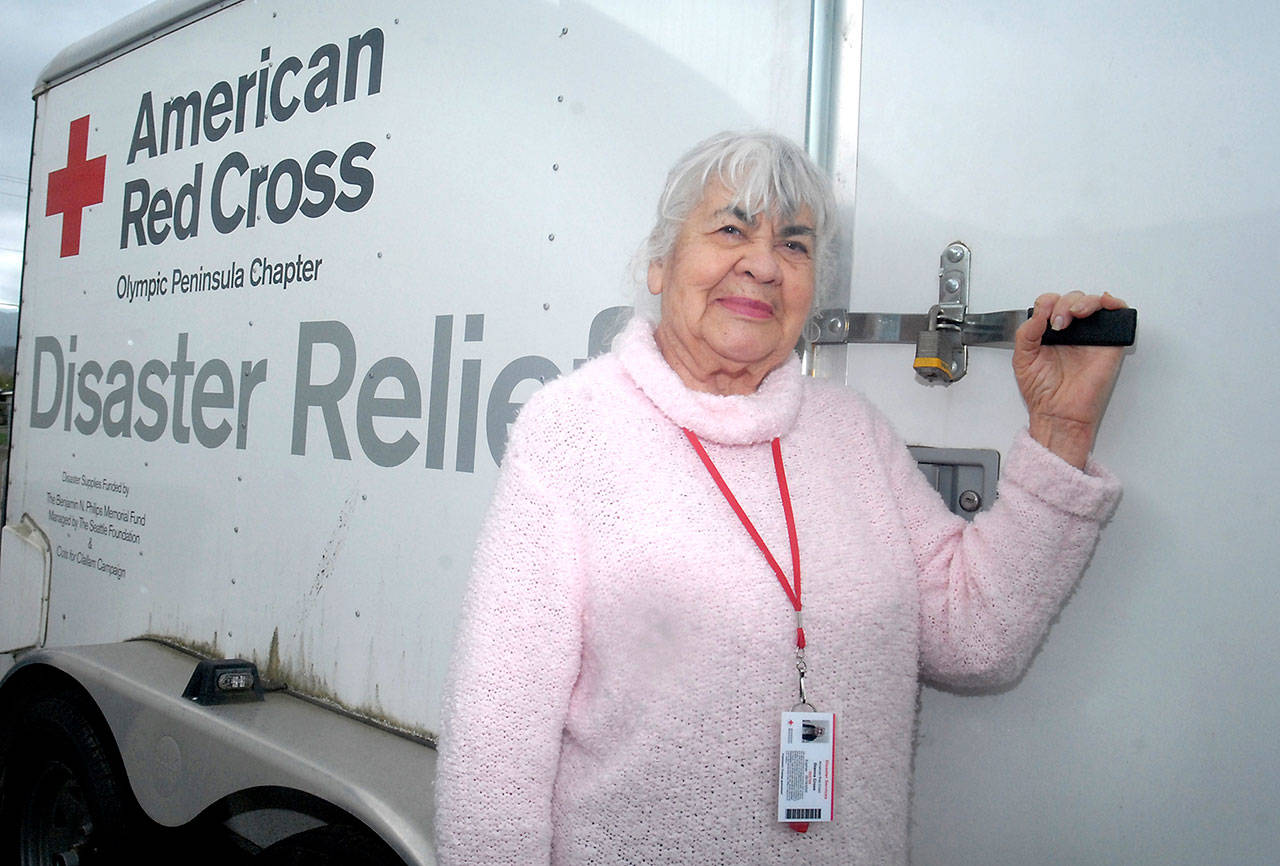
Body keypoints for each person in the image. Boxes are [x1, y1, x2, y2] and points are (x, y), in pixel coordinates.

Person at [433, 131, 1126, 864]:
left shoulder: (850, 431)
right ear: (661, 263)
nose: (763, 264)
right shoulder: (572, 430)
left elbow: (977, 640)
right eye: (731, 228)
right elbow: (498, 742)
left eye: (793, 245)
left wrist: (1061, 428)